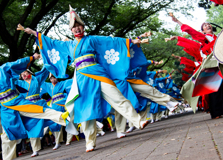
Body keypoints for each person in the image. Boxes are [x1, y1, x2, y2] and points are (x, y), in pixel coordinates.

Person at [24, 5, 149, 152]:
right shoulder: (68, 45)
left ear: (83, 27)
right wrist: (34, 33)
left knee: (117, 97)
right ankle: (90, 142)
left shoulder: (92, 39)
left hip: (97, 72)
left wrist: (132, 41)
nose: (77, 29)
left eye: (79, 26)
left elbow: (112, 42)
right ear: (71, 31)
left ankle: (138, 120)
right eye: (74, 27)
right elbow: (52, 43)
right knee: (85, 109)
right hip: (82, 78)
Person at [0, 54, 69, 160]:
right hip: (5, 107)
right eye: (23, 74)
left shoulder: (3, 69)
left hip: (16, 100)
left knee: (38, 111)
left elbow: (17, 63)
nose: (24, 75)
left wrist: (33, 58)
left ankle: (61, 116)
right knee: (7, 133)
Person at [41, 74, 73, 149]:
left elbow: (70, 82)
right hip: (55, 106)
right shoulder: (48, 86)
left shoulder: (62, 83)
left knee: (69, 120)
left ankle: (69, 140)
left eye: (54, 77)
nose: (53, 79)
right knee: (55, 124)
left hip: (63, 104)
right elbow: (40, 82)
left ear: (57, 78)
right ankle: (58, 142)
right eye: (51, 78)